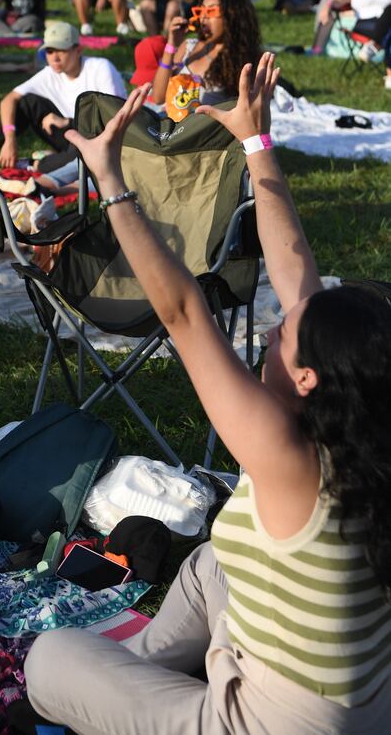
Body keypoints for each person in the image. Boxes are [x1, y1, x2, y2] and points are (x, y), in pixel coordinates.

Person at [25, 55, 391, 735]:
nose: (276, 322)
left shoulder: (289, 459)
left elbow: (185, 314)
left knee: (48, 660)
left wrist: (110, 179)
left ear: (308, 378)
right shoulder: (363, 428)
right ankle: (147, 668)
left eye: (285, 331)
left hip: (268, 724)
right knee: (212, 562)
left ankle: (138, 691)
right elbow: (296, 269)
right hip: (362, 702)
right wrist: (256, 145)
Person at [0, 20, 126, 172]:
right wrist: (10, 138)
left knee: (85, 158)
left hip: (104, 140)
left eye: (61, 50)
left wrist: (67, 122)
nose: (54, 58)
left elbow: (112, 119)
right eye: (49, 51)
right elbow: (9, 100)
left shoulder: (101, 68)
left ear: (78, 50)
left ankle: (33, 164)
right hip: (71, 137)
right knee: (27, 102)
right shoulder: (49, 73)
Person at [150, 0, 261, 122]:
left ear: (232, 14)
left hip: (205, 135)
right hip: (170, 127)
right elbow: (158, 97)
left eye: (211, 11)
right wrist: (171, 45)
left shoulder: (243, 59)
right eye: (201, 11)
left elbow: (248, 115)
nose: (203, 17)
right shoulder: (188, 47)